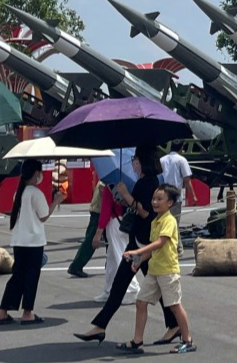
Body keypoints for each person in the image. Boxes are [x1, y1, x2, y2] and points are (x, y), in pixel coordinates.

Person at [74, 146, 178, 345]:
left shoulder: (145, 183)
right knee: (132, 285)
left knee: (133, 286)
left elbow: (146, 212)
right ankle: (101, 326)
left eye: (135, 161)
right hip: (140, 243)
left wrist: (125, 194)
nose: (133, 164)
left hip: (141, 245)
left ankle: (174, 327)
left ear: (141, 161)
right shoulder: (152, 181)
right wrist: (126, 198)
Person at [117, 184, 196, 354]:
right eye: (154, 198)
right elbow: (153, 249)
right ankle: (137, 341)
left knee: (174, 306)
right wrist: (139, 259)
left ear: (170, 203)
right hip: (154, 271)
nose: (155, 202)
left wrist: (137, 252)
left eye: (160, 199)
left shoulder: (169, 220)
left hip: (168, 271)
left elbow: (161, 242)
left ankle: (187, 340)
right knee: (140, 302)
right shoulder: (155, 221)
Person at [0, 159, 64, 325]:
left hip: (19, 240)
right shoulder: (36, 193)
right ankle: (27, 312)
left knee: (18, 275)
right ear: (36, 173)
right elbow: (43, 216)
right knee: (31, 276)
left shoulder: (20, 192)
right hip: (34, 241)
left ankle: (3, 310)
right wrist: (56, 201)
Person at [92, 178, 141, 303]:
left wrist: (98, 233)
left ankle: (133, 288)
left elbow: (105, 210)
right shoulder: (129, 183)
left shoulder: (110, 185)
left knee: (120, 256)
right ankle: (109, 290)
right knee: (112, 258)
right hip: (125, 221)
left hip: (115, 222)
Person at [159, 142, 196, 254]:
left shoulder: (162, 160)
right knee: (175, 223)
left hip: (163, 195)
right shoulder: (181, 160)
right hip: (176, 196)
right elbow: (186, 180)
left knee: (164, 222)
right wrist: (193, 196)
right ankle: (177, 247)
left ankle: (172, 246)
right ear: (180, 148)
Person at [68, 181, 105, 278]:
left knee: (93, 241)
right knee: (90, 242)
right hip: (99, 212)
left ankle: (77, 266)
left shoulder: (104, 179)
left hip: (99, 211)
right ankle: (76, 266)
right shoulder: (104, 182)